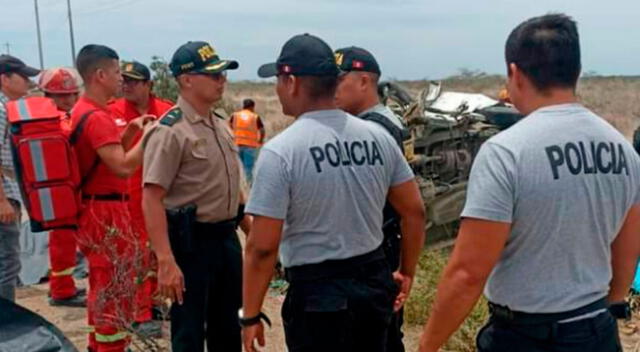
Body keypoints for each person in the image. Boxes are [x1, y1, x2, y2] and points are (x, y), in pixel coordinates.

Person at [418, 14, 640, 352]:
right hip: (595, 329)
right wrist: (607, 306)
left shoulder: (506, 152)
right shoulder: (622, 149)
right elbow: (627, 248)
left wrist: (428, 345)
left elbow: (468, 273)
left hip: (525, 336)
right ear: (576, 72)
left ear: (515, 74)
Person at [242, 33, 426, 352]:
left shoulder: (281, 152)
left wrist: (250, 315)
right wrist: (405, 271)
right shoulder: (377, 137)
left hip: (318, 298)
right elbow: (414, 211)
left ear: (292, 82)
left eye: (277, 80)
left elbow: (261, 247)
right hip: (374, 285)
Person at [142, 41, 243, 352]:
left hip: (226, 238)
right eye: (213, 75)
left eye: (222, 73)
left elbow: (236, 191)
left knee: (228, 327)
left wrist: (256, 239)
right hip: (191, 244)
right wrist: (166, 261)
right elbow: (151, 197)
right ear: (186, 80)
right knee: (189, 333)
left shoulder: (221, 126)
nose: (221, 80)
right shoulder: (170, 130)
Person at [72, 44, 153, 352]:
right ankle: (110, 346)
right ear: (100, 74)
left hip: (96, 207)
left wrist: (132, 132)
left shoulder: (87, 111)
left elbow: (107, 155)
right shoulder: (97, 117)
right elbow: (121, 167)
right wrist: (148, 138)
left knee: (103, 282)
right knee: (113, 287)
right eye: (118, 72)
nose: (122, 79)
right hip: (105, 213)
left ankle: (100, 343)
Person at [334, 45, 409, 352]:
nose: (332, 88)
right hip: (383, 245)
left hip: (377, 250)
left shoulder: (373, 129)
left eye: (340, 80)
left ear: (364, 81)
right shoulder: (379, 122)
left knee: (379, 333)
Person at [108, 60, 173, 333]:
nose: (126, 85)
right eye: (123, 80)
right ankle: (141, 312)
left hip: (165, 194)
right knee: (135, 255)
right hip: (128, 197)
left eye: (133, 81)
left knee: (162, 251)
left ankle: (159, 302)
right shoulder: (112, 112)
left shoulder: (169, 111)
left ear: (149, 85)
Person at [38, 67, 87, 307]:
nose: (68, 100)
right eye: (62, 95)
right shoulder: (49, 122)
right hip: (60, 192)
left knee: (67, 242)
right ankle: (61, 290)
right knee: (62, 242)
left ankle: (63, 287)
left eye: (71, 95)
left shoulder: (66, 117)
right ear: (48, 97)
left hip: (71, 189)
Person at [0, 55, 39, 302]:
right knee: (7, 265)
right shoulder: (0, 111)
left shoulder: (8, 109)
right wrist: (2, 201)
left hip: (8, 192)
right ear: (4, 79)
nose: (27, 82)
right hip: (4, 196)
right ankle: (5, 326)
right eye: (22, 77)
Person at [230, 98, 264, 183]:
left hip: (237, 145)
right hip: (250, 146)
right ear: (252, 107)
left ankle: (238, 185)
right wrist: (260, 140)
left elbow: (229, 126)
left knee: (237, 167)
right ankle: (249, 186)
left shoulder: (235, 115)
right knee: (248, 168)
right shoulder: (255, 117)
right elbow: (262, 130)